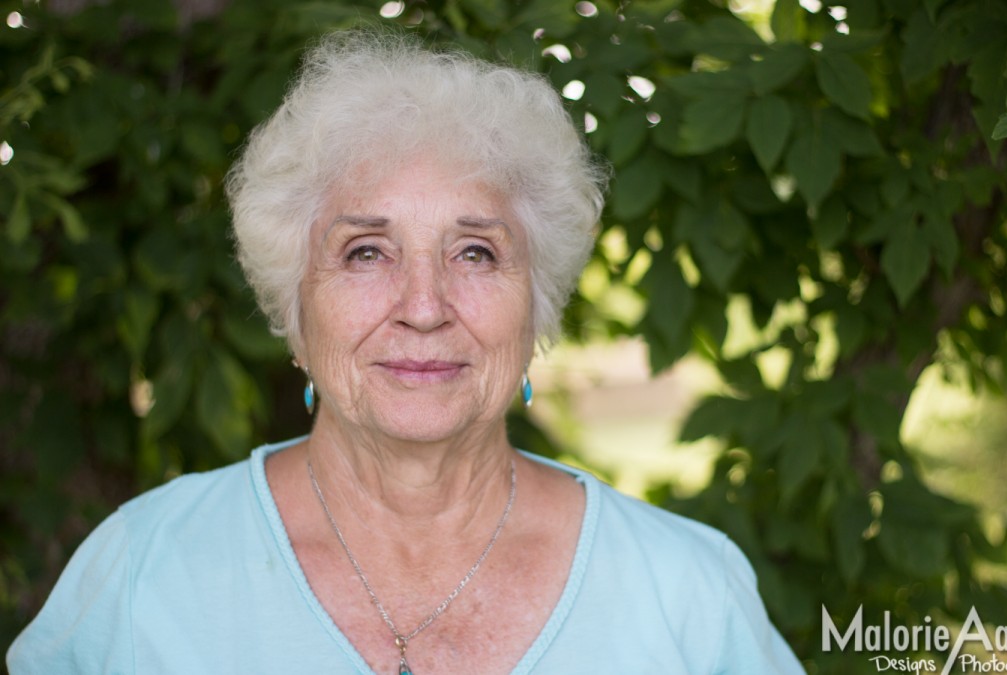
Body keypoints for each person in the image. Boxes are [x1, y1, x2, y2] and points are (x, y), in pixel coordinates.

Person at [7, 30, 803, 674]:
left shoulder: (687, 596)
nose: (424, 309)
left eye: (476, 253)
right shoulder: (144, 573)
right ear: (293, 306)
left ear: (538, 306)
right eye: (364, 252)